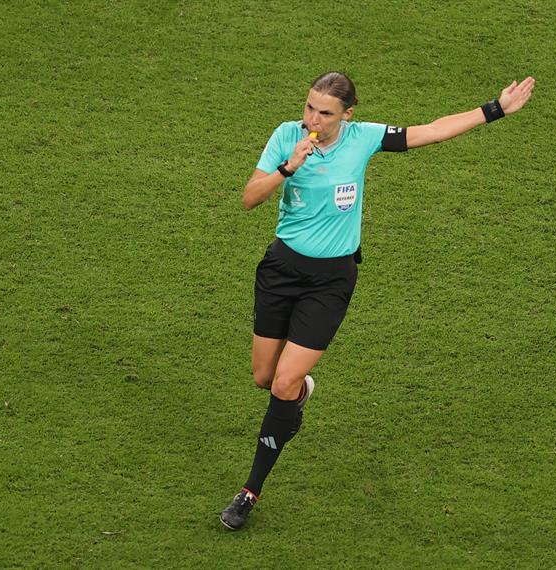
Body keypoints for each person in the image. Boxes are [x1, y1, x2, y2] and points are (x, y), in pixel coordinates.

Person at [220, 71, 536, 530]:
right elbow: (250, 198)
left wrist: (494, 110)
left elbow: (429, 130)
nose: (314, 119)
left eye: (325, 113)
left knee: (283, 382)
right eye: (309, 107)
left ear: (347, 115)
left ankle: (249, 492)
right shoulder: (287, 137)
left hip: (330, 282)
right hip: (280, 271)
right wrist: (288, 167)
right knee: (264, 378)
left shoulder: (363, 139)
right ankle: (299, 394)